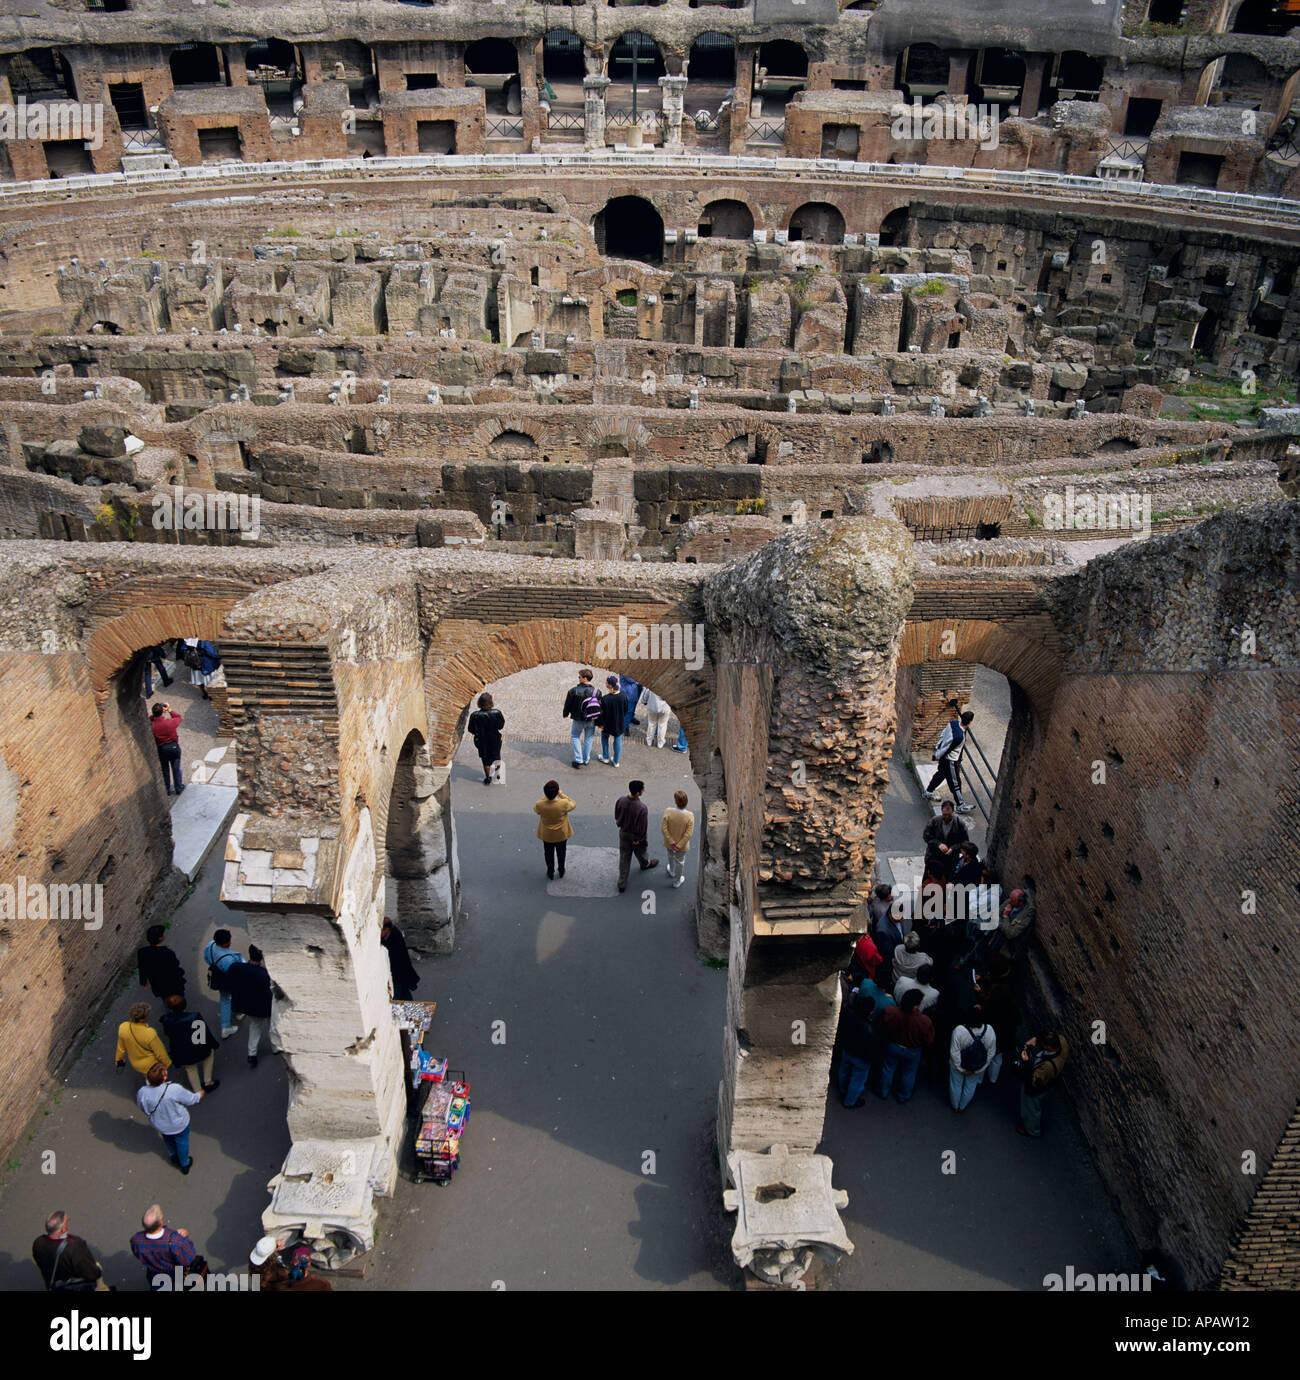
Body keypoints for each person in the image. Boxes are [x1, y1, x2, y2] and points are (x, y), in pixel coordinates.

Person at [137, 1061, 202, 1173]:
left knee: (167, 1138)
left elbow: (142, 1106)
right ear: (163, 1078)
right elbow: (190, 1099)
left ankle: (173, 1155)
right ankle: (184, 1163)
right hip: (179, 1124)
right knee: (182, 1142)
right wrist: (199, 1095)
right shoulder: (173, 1089)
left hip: (160, 1124)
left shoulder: (143, 1092)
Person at [876, 989, 935, 1104]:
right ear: (915, 1006)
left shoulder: (890, 1012)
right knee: (909, 1073)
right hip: (912, 1051)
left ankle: (883, 1091)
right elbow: (929, 1039)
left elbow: (880, 1026)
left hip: (892, 1046)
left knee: (888, 1069)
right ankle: (903, 1096)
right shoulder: (924, 1021)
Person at [129, 1205, 202, 1289]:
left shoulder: (136, 1240)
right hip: (175, 1271)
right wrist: (185, 1237)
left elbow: (137, 1254)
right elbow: (188, 1258)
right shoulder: (175, 1240)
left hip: (154, 1273)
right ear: (161, 1222)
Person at [160, 994, 220, 1093]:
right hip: (199, 1046)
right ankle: (208, 1081)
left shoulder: (167, 1020)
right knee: (209, 1056)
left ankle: (198, 1090)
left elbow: (168, 1034)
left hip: (182, 1050)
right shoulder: (194, 1017)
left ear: (170, 1008)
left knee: (190, 1069)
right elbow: (204, 1033)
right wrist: (214, 1045)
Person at [34, 1211, 106, 1292]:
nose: (68, 1223)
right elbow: (90, 1273)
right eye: (67, 1221)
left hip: (55, 1284)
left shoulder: (38, 1242)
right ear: (63, 1229)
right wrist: (98, 1271)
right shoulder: (74, 1246)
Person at [225, 945, 273, 1067]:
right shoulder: (265, 974)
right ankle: (276, 1047)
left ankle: (252, 1054)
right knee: (273, 1024)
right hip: (264, 1006)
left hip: (247, 1005)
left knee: (255, 1027)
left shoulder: (236, 967)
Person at [1016, 1030, 1069, 1137]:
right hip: (1047, 1080)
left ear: (1048, 1047)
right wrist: (1036, 1038)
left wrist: (1025, 1062)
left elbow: (1034, 1082)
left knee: (1031, 1108)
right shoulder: (1062, 1042)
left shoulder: (1048, 1067)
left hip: (1036, 1089)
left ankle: (1032, 1130)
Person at [924, 708, 975, 812]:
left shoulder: (953, 723)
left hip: (944, 759)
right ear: (970, 722)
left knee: (940, 775)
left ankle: (928, 792)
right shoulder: (959, 737)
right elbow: (948, 749)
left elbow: (943, 735)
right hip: (951, 761)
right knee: (955, 783)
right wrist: (937, 756)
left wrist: (937, 749)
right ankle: (960, 805)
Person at [948, 1004, 997, 1111]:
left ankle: (955, 1106)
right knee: (970, 1086)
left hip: (959, 1065)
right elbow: (991, 1053)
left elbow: (954, 1052)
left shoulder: (959, 1030)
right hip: (976, 1067)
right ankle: (962, 1106)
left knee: (956, 1084)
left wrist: (960, 1068)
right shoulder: (989, 1030)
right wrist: (979, 1069)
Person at [614, 780, 659, 893]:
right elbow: (642, 827)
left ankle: (622, 882)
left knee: (624, 857)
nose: (644, 790)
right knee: (641, 852)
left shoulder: (621, 800)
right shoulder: (642, 808)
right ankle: (645, 864)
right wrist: (638, 839)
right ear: (638, 792)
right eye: (643, 789)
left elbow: (617, 815)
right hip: (636, 836)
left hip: (623, 833)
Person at [836, 991, 878, 1109]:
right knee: (857, 1080)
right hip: (861, 1058)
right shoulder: (870, 1030)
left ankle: (843, 1090)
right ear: (870, 1012)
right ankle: (849, 1102)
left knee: (843, 1071)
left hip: (847, 1050)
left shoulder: (848, 1016)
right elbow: (872, 1049)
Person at [203, 928, 243, 1039]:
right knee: (232, 996)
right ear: (227, 942)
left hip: (217, 976)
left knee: (225, 998)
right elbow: (236, 972)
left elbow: (206, 958)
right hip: (228, 980)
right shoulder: (229, 959)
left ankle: (236, 1014)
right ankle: (227, 1025)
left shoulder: (210, 945)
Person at [533, 779, 576, 880]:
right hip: (561, 834)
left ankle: (550, 871)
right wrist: (561, 795)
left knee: (548, 853)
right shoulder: (563, 803)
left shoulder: (540, 804)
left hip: (547, 835)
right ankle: (561, 870)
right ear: (557, 792)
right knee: (561, 852)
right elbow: (573, 803)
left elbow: (536, 809)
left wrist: (546, 797)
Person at [116, 1002, 171, 1080]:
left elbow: (120, 1047)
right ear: (142, 1019)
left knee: (148, 1078)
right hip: (151, 1064)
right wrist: (167, 1063)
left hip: (136, 1064)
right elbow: (160, 1052)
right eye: (148, 1014)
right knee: (157, 1080)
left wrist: (118, 1059)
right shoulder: (150, 1033)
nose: (149, 1015)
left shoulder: (123, 1027)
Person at [562, 668, 601, 768]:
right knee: (589, 738)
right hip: (591, 719)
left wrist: (565, 713)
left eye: (579, 676)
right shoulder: (597, 692)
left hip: (578, 719)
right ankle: (586, 759)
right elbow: (600, 708)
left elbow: (568, 704)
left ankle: (578, 760)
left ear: (584, 678)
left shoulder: (573, 691)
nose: (578, 678)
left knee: (575, 736)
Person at [137, 923, 186, 1001]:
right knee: (179, 1000)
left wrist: (143, 982)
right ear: (160, 938)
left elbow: (142, 968)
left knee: (166, 1000)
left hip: (158, 985)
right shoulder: (167, 952)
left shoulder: (142, 952)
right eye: (163, 934)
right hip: (173, 983)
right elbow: (175, 965)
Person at [922, 799, 968, 880]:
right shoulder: (934, 821)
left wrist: (953, 848)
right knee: (928, 882)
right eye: (944, 814)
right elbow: (926, 836)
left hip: (949, 861)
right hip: (933, 858)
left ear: (953, 812)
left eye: (949, 815)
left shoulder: (959, 825)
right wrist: (938, 844)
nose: (946, 817)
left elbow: (965, 842)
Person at [466, 692, 505, 785]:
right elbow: (500, 726)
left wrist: (477, 733)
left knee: (485, 760)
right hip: (495, 739)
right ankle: (497, 774)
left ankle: (488, 778)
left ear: (480, 702)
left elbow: (470, 729)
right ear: (491, 702)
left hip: (482, 740)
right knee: (496, 757)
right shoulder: (497, 713)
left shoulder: (475, 715)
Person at [661, 789, 694, 889]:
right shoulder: (689, 815)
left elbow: (664, 828)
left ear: (675, 801)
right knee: (680, 862)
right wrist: (679, 845)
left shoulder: (668, 811)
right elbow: (688, 834)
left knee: (670, 855)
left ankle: (671, 870)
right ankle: (676, 881)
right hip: (682, 846)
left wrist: (671, 842)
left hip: (669, 843)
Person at [150, 701, 184, 795]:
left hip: (162, 749)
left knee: (165, 770)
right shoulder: (169, 722)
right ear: (163, 711)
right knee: (176, 769)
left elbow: (149, 719)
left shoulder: (153, 725)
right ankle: (178, 788)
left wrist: (154, 715)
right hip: (173, 748)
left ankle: (167, 789)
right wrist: (169, 710)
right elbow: (178, 717)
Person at [381, 917, 420, 999]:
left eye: (381, 930)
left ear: (387, 930)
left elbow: (398, 960)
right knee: (405, 995)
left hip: (398, 974)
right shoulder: (391, 934)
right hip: (400, 975)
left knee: (397, 996)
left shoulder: (395, 938)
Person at [997, 887, 1036, 961]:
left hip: (1008, 947)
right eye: (1010, 898)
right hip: (997, 937)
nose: (1009, 901)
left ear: (1020, 902)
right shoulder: (1011, 900)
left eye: (1012, 900)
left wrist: (1005, 916)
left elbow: (1011, 934)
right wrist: (1006, 928)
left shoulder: (1027, 913)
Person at [597, 676, 626, 766]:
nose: (605, 683)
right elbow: (626, 709)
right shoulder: (623, 695)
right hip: (619, 723)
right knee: (618, 740)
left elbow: (601, 713)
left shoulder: (605, 699)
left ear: (609, 685)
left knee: (605, 738)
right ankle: (616, 761)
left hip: (607, 723)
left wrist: (600, 724)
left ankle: (605, 757)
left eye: (606, 682)